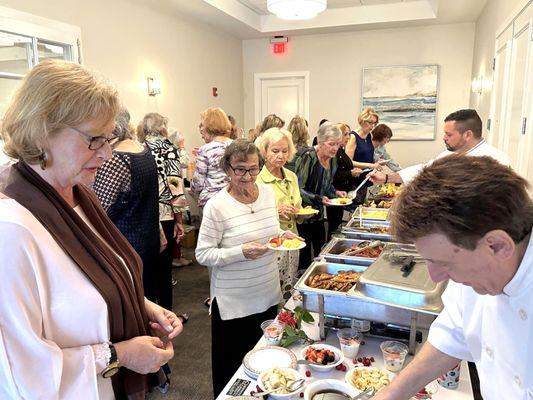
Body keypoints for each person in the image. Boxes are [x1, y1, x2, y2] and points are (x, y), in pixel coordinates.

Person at [0, 59, 182, 399]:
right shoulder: (12, 229)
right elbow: (19, 373)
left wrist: (141, 305)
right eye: (94, 139)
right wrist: (121, 355)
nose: (108, 153)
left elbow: (90, 285)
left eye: (109, 137)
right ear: (42, 131)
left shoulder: (79, 195)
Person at [372, 154, 533, 400]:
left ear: (498, 246)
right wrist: (389, 395)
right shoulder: (478, 270)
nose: (435, 277)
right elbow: (453, 332)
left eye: (444, 263)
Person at [195, 139, 300, 397]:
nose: (247, 176)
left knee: (264, 364)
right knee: (232, 373)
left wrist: (283, 236)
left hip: (265, 292)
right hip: (234, 303)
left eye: (253, 169)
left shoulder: (267, 194)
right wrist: (240, 252)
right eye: (240, 169)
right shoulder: (217, 206)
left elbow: (272, 231)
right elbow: (203, 254)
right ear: (227, 169)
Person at [93, 109, 161, 305]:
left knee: (133, 301)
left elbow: (99, 210)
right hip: (148, 237)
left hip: (124, 241)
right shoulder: (143, 151)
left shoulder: (116, 159)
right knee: (147, 296)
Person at [369, 109, 511, 185]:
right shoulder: (448, 155)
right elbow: (424, 170)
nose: (444, 138)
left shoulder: (497, 160)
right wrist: (387, 178)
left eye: (448, 134)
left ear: (467, 134)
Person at [142, 112, 185, 309]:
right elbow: (175, 185)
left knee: (147, 269)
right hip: (165, 213)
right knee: (164, 269)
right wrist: (179, 220)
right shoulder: (168, 149)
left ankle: (150, 315)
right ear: (163, 128)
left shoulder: (139, 148)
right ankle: (167, 313)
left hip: (145, 215)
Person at [256, 127, 303, 300]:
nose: (281, 156)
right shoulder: (258, 180)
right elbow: (254, 214)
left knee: (289, 282)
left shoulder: (291, 176)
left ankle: (286, 320)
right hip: (272, 243)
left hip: (293, 240)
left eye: (285, 151)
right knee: (272, 287)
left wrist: (301, 213)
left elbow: (297, 205)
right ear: (265, 151)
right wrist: (276, 211)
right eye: (275, 151)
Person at [295, 122, 347, 271]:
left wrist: (335, 192)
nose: (335, 148)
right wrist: (318, 198)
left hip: (319, 214)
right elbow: (299, 189)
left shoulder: (334, 158)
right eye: (331, 144)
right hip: (303, 216)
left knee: (321, 251)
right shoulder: (308, 157)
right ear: (320, 142)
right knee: (304, 256)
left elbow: (327, 184)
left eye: (338, 144)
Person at [190, 107, 233, 210]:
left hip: (212, 202)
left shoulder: (205, 149)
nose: (201, 129)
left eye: (203, 125)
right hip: (233, 199)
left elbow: (198, 184)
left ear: (209, 126)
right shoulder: (236, 146)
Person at [328, 123, 363, 239]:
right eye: (346, 134)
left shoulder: (341, 150)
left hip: (342, 192)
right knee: (334, 224)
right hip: (335, 192)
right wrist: (351, 173)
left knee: (337, 222)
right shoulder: (335, 153)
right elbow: (334, 175)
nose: (349, 137)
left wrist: (352, 171)